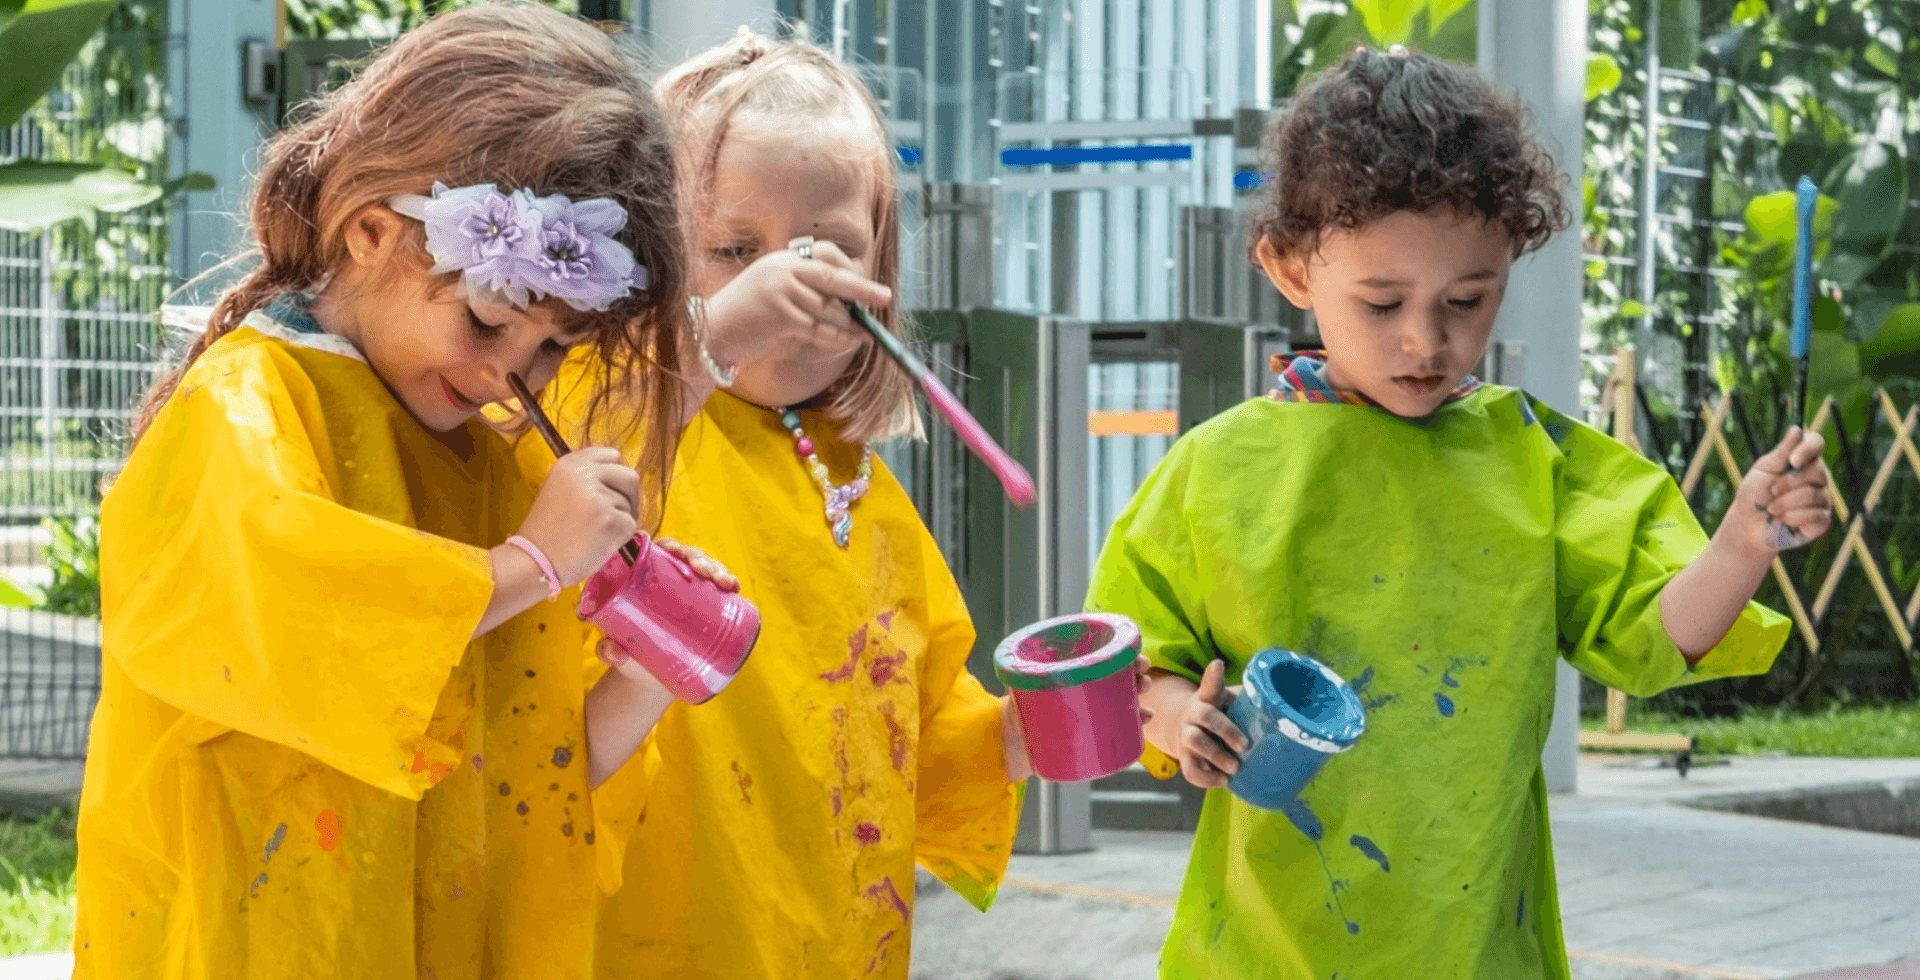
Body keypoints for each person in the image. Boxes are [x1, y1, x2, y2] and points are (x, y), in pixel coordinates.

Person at [1085, 47, 1831, 979]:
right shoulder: (1215, 470)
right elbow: (1130, 661)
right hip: (1266, 949)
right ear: (1288, 267)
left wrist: (1742, 542)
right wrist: (1175, 721)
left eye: (1467, 301)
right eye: (1381, 300)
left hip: (1481, 946)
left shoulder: (1537, 462)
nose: (1424, 340)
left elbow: (1656, 634)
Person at [73, 6, 722, 978]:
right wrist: (527, 564)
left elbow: (537, 765)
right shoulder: (244, 406)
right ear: (373, 231)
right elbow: (292, 618)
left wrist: (643, 667)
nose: (515, 375)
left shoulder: (495, 469)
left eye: (554, 348)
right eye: (488, 319)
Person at [515, 29, 1146, 979]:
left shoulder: (867, 493)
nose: (790, 284)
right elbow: (579, 418)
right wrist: (714, 335)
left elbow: (915, 746)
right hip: (651, 937)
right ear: (648, 258)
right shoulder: (628, 419)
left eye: (829, 253)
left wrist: (1028, 730)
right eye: (734, 249)